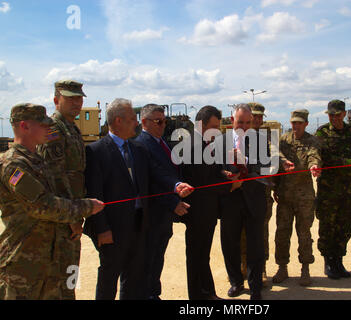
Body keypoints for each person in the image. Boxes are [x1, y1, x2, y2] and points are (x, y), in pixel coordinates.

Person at [83, 98, 193, 300]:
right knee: (109, 279)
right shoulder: (96, 151)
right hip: (113, 228)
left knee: (134, 278)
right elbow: (94, 193)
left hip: (139, 225)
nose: (136, 123)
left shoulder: (138, 150)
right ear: (118, 121)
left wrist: (176, 186)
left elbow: (157, 174)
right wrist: (102, 229)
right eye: (132, 119)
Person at [0, 103, 104, 300]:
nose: (49, 129)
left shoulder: (37, 160)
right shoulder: (14, 164)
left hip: (47, 258)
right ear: (25, 126)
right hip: (23, 264)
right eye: (43, 125)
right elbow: (43, 206)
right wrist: (86, 207)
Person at [36, 79, 88, 299]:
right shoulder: (54, 129)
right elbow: (54, 177)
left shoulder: (71, 128)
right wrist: (72, 217)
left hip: (72, 214)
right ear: (56, 100)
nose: (77, 103)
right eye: (71, 98)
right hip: (62, 218)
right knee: (58, 276)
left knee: (71, 271)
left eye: (79, 98)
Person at [180, 105, 236, 300]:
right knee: (197, 255)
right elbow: (204, 182)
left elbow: (209, 173)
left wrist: (222, 173)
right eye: (214, 126)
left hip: (206, 210)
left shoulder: (202, 142)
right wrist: (230, 185)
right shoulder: (194, 144)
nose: (217, 131)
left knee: (202, 255)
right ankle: (198, 297)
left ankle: (206, 293)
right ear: (201, 125)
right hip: (199, 211)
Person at [135, 104, 189, 299]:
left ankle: (153, 293)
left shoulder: (162, 142)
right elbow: (149, 183)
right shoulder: (141, 145)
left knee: (158, 257)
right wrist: (172, 201)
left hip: (163, 215)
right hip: (152, 214)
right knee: (148, 259)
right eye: (158, 121)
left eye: (164, 121)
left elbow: (169, 173)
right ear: (144, 122)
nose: (163, 125)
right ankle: (147, 294)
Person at [219, 103, 267, 300]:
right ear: (232, 121)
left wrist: (245, 177)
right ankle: (236, 282)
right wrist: (225, 176)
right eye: (241, 122)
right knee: (230, 244)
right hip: (230, 201)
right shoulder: (220, 142)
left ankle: (255, 286)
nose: (245, 126)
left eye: (248, 122)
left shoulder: (261, 141)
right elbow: (213, 169)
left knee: (256, 245)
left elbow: (265, 168)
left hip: (254, 200)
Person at [315, 100, 351, 280]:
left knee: (345, 227)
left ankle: (339, 260)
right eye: (330, 115)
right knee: (328, 227)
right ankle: (328, 261)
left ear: (344, 114)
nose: (334, 118)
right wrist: (348, 164)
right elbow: (325, 158)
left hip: (348, 189)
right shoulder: (322, 132)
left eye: (337, 115)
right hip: (329, 191)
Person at [272, 109, 321, 286]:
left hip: (304, 197)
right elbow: (276, 156)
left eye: (300, 122)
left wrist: (314, 166)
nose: (296, 125)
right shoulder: (283, 139)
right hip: (285, 196)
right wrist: (276, 186)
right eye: (294, 122)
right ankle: (282, 267)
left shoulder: (312, 140)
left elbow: (313, 155)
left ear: (306, 123)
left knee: (304, 234)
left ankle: (305, 269)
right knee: (282, 233)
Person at [239, 102, 274, 283]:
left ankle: (261, 268)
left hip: (261, 194)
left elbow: (271, 164)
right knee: (242, 232)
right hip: (241, 193)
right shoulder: (238, 138)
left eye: (261, 116)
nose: (258, 120)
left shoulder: (266, 138)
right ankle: (243, 266)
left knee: (261, 233)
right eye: (255, 116)